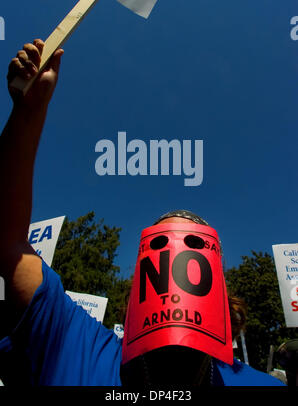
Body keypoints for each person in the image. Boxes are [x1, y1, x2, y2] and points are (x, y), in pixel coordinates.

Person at [0, 41, 285, 387]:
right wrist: (28, 113)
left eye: (194, 247)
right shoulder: (72, 341)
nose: (177, 269)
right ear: (137, 285)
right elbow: (7, 243)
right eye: (161, 247)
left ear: (221, 294)